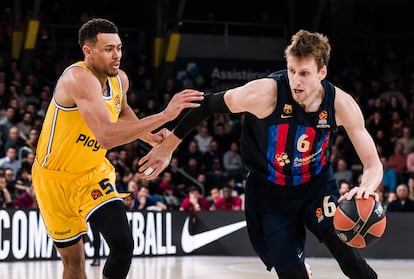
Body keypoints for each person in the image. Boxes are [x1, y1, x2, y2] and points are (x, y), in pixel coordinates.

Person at [139, 29, 382, 278]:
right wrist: (167, 147)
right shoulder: (264, 93)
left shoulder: (341, 104)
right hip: (269, 191)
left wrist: (366, 187)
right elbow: (206, 105)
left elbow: (373, 164)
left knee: (348, 255)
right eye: (291, 71)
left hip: (316, 186)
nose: (296, 81)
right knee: (292, 274)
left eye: (304, 74)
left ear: (322, 72)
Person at [31, 18, 204, 279]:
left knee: (123, 245)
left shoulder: (119, 80)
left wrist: (151, 137)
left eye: (119, 48)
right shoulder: (77, 78)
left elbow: (121, 110)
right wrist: (165, 115)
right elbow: (107, 137)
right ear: (88, 51)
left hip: (93, 174)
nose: (117, 55)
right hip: (54, 180)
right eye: (108, 49)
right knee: (75, 264)